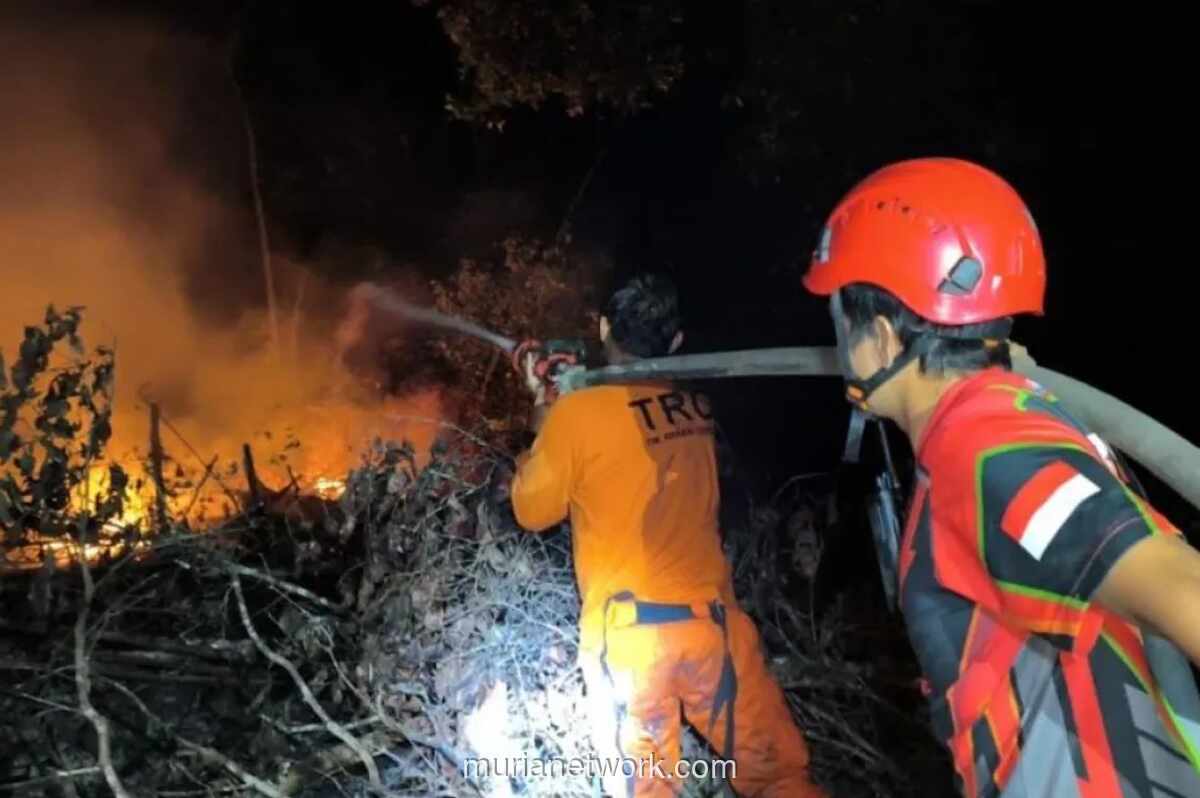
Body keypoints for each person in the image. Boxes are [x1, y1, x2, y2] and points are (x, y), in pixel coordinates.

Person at [803, 157, 1200, 796]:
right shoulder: (1004, 413)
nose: (838, 343)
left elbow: (1185, 591)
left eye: (840, 321)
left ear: (880, 336)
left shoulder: (986, 449)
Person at [509, 273, 826, 797]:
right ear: (676, 342)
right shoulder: (693, 410)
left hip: (632, 642)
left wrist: (543, 411)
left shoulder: (576, 415)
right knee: (780, 779)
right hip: (717, 629)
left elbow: (530, 509)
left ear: (604, 328)